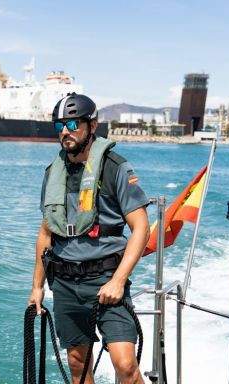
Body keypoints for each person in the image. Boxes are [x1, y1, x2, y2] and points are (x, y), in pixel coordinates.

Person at [28, 93, 150, 384]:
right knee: (77, 364)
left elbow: (142, 228)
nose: (66, 132)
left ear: (92, 125)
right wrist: (37, 287)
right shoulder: (52, 174)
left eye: (73, 124)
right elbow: (46, 233)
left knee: (126, 366)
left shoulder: (114, 168)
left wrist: (118, 281)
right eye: (60, 126)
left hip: (107, 281)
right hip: (66, 284)